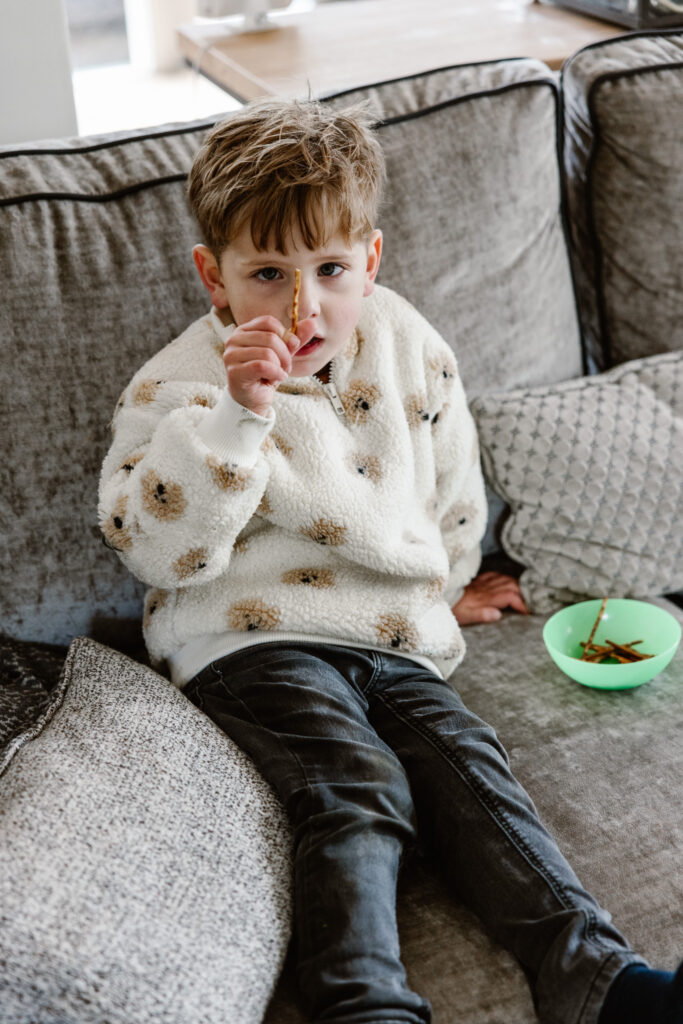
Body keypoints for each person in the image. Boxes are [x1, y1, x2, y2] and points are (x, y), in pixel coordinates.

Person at [98, 99, 682, 1024]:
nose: (304, 304)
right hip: (250, 642)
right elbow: (159, 549)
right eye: (268, 272)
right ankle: (362, 1002)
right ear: (215, 278)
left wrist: (449, 590)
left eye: (330, 269)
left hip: (395, 638)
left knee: (470, 769)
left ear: (368, 260)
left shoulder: (409, 344)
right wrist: (236, 417)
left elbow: (448, 492)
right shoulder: (181, 386)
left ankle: (598, 981)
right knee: (355, 786)